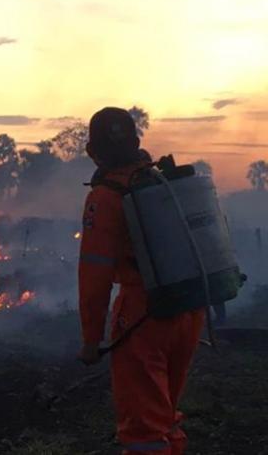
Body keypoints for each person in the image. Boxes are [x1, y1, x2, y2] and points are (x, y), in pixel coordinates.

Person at [77, 107, 205, 454]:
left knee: (143, 430)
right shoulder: (163, 182)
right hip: (188, 309)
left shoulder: (105, 198)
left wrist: (91, 340)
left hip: (143, 318)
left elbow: (94, 275)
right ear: (137, 142)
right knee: (164, 415)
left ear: (92, 152)